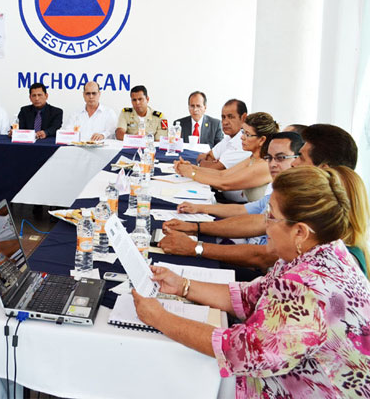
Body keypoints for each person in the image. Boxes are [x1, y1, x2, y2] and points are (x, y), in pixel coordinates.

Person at [132, 167, 370, 397]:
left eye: (271, 216)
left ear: (300, 232)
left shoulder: (308, 287)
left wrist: (159, 318)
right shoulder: (321, 254)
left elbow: (239, 351)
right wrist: (182, 285)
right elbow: (251, 296)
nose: (265, 224)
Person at [161, 125, 363, 271]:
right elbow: (255, 220)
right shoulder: (311, 201)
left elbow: (265, 255)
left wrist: (196, 247)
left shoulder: (321, 220)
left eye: (299, 157)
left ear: (323, 170)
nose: (293, 164)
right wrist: (195, 227)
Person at [175, 112, 278, 202]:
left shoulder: (264, 165)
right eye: (243, 132)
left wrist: (191, 173)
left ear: (262, 140)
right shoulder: (253, 158)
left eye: (247, 134)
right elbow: (222, 174)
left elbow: (224, 184)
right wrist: (191, 167)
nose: (242, 137)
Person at [195, 99, 250, 170]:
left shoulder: (244, 143)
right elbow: (209, 156)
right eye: (223, 117)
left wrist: (201, 161)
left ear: (243, 118)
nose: (224, 122)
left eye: (230, 117)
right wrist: (211, 162)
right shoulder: (229, 138)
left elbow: (213, 168)